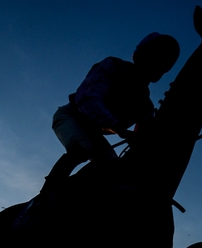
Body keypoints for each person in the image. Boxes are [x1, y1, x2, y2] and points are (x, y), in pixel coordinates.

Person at [42, 32, 181, 195]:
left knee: (113, 167)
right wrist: (120, 129)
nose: (155, 65)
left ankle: (72, 194)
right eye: (154, 58)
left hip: (93, 133)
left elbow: (144, 134)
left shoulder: (145, 104)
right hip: (70, 116)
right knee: (81, 148)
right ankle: (43, 199)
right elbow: (88, 99)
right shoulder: (113, 66)